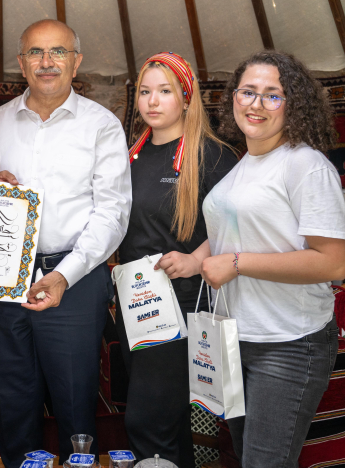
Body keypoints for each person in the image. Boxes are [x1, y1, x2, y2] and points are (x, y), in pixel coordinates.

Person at [0, 19, 131, 467]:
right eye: (35, 52)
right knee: (14, 395)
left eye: (58, 51)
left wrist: (63, 275)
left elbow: (113, 213)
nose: (46, 62)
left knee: (75, 395)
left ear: (76, 62)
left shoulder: (101, 126)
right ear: (21, 64)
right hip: (5, 278)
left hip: (74, 277)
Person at [200, 50, 345, 467]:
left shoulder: (305, 165)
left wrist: (236, 263)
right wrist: (194, 259)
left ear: (293, 104)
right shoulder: (244, 165)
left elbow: (333, 263)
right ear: (233, 98)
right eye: (247, 92)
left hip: (288, 342)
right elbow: (236, 232)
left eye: (273, 95)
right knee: (245, 457)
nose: (257, 104)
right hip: (237, 338)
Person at [115, 52, 237, 466]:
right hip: (134, 302)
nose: (152, 101)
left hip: (181, 302)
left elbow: (239, 224)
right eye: (145, 92)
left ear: (186, 98)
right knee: (169, 422)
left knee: (148, 422)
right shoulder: (128, 157)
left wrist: (195, 260)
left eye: (165, 91)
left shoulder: (213, 156)